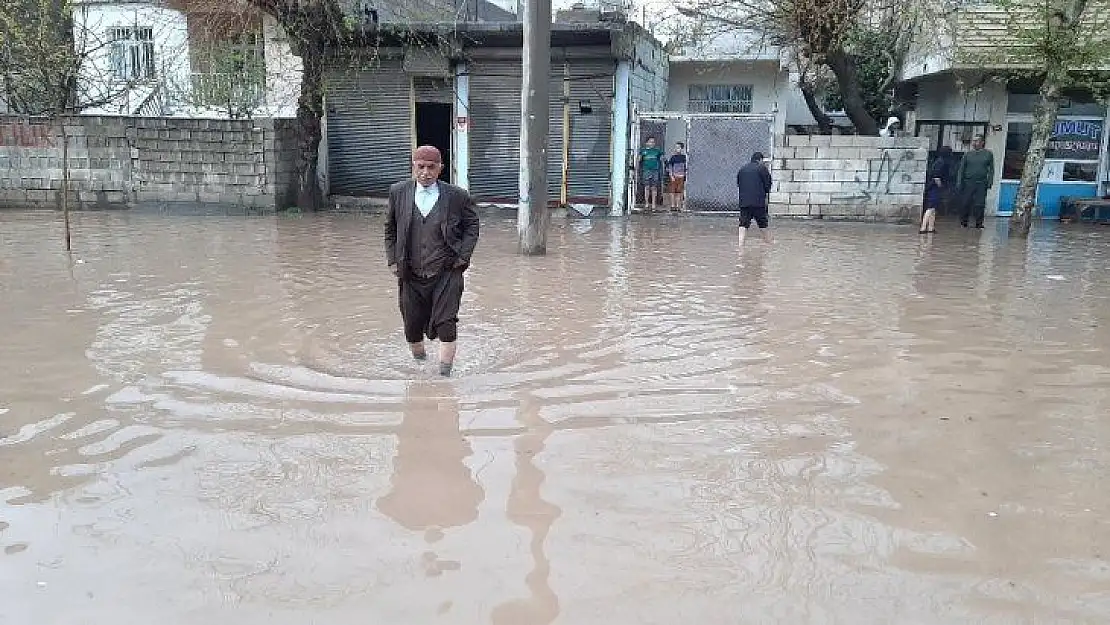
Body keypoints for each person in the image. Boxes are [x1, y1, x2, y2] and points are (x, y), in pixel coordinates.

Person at [385, 145, 480, 376]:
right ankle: (420, 369)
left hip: (447, 271)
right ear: (413, 167)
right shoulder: (398, 192)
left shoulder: (457, 196)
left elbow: (472, 225)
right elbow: (390, 228)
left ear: (440, 169)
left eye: (431, 167)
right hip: (410, 272)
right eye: (421, 167)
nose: (425, 172)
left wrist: (463, 257)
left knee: (447, 325)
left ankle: (444, 377)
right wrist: (392, 260)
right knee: (411, 326)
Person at [956, 135, 995, 229]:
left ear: (982, 142)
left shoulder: (988, 154)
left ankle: (979, 223)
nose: (974, 143)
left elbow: (991, 170)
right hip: (968, 182)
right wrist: (959, 182)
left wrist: (989, 182)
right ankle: (963, 222)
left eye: (976, 141)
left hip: (982, 183)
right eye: (973, 141)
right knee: (965, 202)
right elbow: (961, 169)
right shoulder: (968, 154)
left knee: (980, 204)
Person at [736, 151, 773, 248]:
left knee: (743, 224)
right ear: (760, 160)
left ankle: (740, 246)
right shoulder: (762, 168)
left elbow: (739, 184)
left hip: (744, 202)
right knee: (763, 224)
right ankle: (768, 244)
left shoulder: (742, 169)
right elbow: (768, 185)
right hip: (758, 202)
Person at [920, 146, 954, 234]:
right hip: (934, 187)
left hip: (933, 187)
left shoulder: (939, 161)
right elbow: (936, 177)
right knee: (931, 207)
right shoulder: (941, 162)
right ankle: (923, 228)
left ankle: (931, 228)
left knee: (933, 208)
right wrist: (941, 186)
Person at [638, 137, 664, 212]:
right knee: (647, 187)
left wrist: (662, 160)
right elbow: (639, 160)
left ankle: (653, 204)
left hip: (655, 171)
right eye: (650, 142)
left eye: (653, 142)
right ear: (646, 143)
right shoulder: (643, 151)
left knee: (654, 188)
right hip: (646, 171)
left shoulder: (657, 151)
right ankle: (646, 203)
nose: (652, 143)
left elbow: (662, 159)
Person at [666, 142, 687, 212]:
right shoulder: (673, 157)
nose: (676, 149)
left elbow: (685, 167)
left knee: (679, 191)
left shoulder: (684, 157)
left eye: (678, 148)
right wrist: (671, 175)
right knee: (672, 191)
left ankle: (678, 205)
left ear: (682, 149)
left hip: (681, 176)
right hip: (674, 176)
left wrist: (684, 175)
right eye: (676, 147)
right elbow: (670, 167)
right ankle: (672, 205)